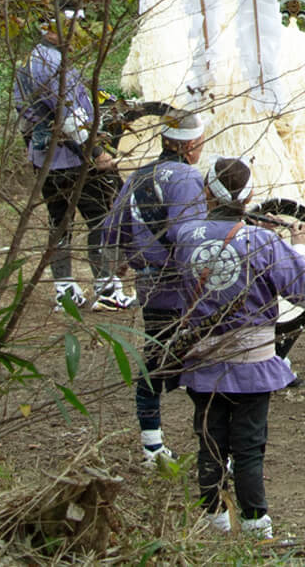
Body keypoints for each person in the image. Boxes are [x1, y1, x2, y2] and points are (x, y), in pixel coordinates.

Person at [172, 157, 305, 543]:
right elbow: (301, 290)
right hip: (252, 360)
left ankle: (214, 521)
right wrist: (299, 247)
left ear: (206, 192)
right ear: (249, 195)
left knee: (210, 440)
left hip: (202, 357)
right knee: (249, 445)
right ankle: (256, 526)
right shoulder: (264, 240)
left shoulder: (184, 235)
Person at [102, 108, 207, 467]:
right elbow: (189, 236)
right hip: (182, 286)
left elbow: (113, 227)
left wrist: (130, 259)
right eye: (201, 144)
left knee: (154, 359)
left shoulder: (139, 176)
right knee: (198, 360)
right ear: (190, 144)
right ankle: (213, 446)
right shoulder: (186, 178)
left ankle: (151, 445)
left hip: (148, 283)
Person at [13, 0, 133, 312]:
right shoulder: (51, 63)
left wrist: (113, 101)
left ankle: (66, 290)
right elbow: (68, 116)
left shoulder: (33, 59)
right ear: (50, 29)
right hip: (73, 159)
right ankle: (106, 288)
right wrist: (95, 152)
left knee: (59, 222)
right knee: (98, 219)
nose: (74, 31)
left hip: (45, 158)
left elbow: (31, 111)